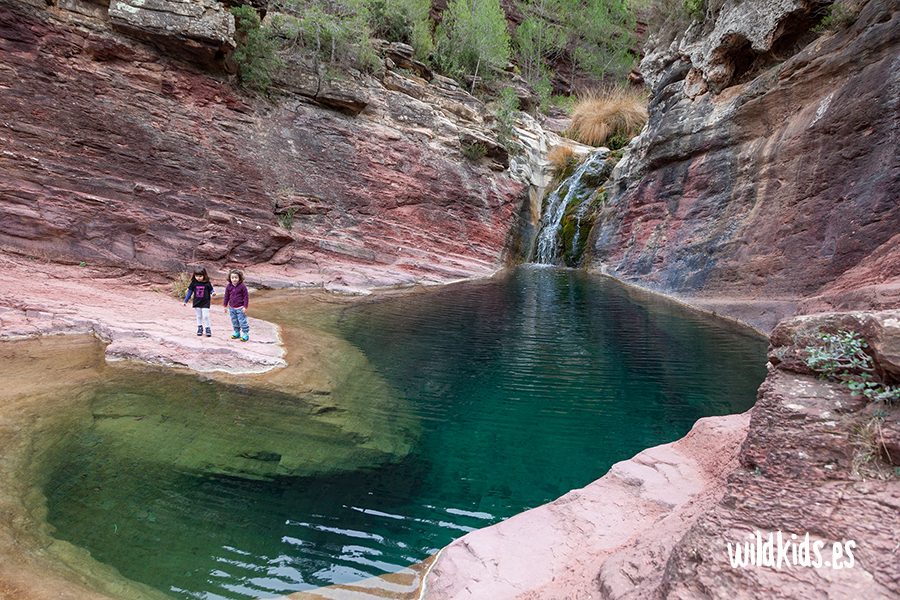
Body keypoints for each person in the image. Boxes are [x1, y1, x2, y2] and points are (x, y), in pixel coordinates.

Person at [183, 267, 216, 337]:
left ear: (204, 275)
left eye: (200, 276)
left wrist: (213, 293)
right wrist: (186, 300)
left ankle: (207, 328)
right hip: (197, 302)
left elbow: (211, 290)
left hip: (205, 302)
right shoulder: (194, 283)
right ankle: (200, 327)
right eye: (196, 276)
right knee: (199, 316)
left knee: (206, 316)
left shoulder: (207, 283)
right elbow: (190, 292)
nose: (198, 278)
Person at [223, 269, 250, 341]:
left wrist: (245, 307)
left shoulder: (242, 286)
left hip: (240, 307)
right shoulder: (229, 286)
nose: (234, 279)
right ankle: (237, 332)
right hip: (232, 307)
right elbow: (226, 296)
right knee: (234, 320)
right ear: (230, 278)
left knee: (242, 321)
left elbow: (246, 297)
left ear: (239, 278)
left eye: (236, 277)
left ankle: (245, 333)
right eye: (232, 278)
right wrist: (225, 305)